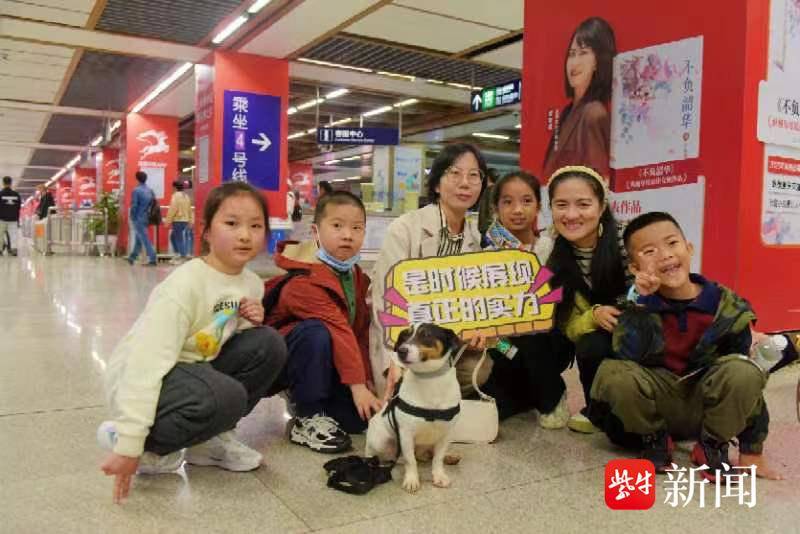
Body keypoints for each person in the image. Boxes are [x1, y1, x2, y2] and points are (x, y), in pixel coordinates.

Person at [98, 182, 289, 504]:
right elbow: (146, 361)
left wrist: (246, 320)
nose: (245, 235)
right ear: (206, 232)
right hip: (149, 372)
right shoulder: (185, 285)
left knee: (269, 344)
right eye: (231, 223)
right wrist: (130, 444)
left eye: (255, 226)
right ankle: (145, 443)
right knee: (225, 395)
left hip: (193, 366)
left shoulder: (251, 283)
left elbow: (216, 331)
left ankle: (206, 443)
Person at [588, 211, 781, 480]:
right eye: (649, 251)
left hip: (707, 404)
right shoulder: (636, 306)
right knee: (614, 372)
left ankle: (712, 446)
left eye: (672, 244)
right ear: (634, 268)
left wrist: (753, 450)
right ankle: (654, 440)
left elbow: (749, 382)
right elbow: (626, 354)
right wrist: (642, 306)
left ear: (689, 249)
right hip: (657, 403)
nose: (665, 255)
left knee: (745, 370)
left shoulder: (726, 305)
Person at [371, 143, 489, 401]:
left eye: (474, 175)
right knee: (402, 397)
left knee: (482, 369)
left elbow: (469, 302)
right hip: (403, 338)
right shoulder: (405, 229)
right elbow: (385, 301)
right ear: (436, 184)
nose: (465, 183)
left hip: (442, 343)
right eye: (454, 173)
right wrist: (394, 357)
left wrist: (476, 330)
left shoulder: (475, 239)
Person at [265, 191, 377, 453]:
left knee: (356, 420)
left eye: (357, 227)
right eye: (337, 226)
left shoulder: (356, 276)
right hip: (288, 359)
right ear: (316, 231)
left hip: (332, 361)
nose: (347, 234)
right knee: (316, 332)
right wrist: (358, 387)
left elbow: (358, 332)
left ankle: (314, 396)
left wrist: (368, 381)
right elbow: (338, 329)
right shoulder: (304, 280)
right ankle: (307, 414)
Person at [480, 171, 573, 427]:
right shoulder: (485, 256)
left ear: (539, 207)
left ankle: (552, 397)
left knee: (533, 340)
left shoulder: (551, 249)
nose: (517, 210)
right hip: (503, 346)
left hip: (550, 341)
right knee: (498, 408)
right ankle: (528, 392)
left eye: (526, 201)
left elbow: (559, 299)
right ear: (496, 207)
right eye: (507, 202)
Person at [546, 165, 628, 433]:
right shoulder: (551, 256)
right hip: (590, 335)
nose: (571, 215)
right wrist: (593, 316)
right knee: (532, 346)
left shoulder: (627, 239)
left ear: (602, 206)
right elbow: (565, 325)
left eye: (583, 204)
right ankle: (555, 400)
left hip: (637, 333)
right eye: (561, 205)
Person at [543, 17, 616, 182]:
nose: (574, 62)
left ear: (598, 60)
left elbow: (600, 183)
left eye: (583, 53)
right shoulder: (567, 113)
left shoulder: (593, 114)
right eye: (571, 54)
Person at [127, 171, 158, 266]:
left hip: (138, 217)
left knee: (144, 238)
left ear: (137, 179)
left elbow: (134, 205)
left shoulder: (136, 190)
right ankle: (132, 257)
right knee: (139, 238)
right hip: (147, 217)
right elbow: (153, 203)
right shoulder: (150, 190)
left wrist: (132, 216)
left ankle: (153, 258)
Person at [165, 179, 193, 264]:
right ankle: (177, 254)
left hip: (178, 220)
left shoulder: (175, 196)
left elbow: (172, 209)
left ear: (175, 187)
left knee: (178, 238)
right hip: (185, 220)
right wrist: (190, 221)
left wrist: (167, 221)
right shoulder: (186, 196)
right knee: (173, 237)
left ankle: (182, 257)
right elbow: (189, 210)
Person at [0, 176, 21, 256]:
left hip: (2, 219)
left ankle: (0, 250)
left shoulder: (0, 194)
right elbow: (18, 207)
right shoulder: (16, 194)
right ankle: (13, 249)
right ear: (11, 183)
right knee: (13, 235)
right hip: (13, 219)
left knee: (0, 234)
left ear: (3, 183)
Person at [477, 168, 499, 236]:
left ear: (488, 178)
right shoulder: (496, 190)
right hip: (489, 227)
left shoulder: (490, 190)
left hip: (488, 227)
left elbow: (491, 208)